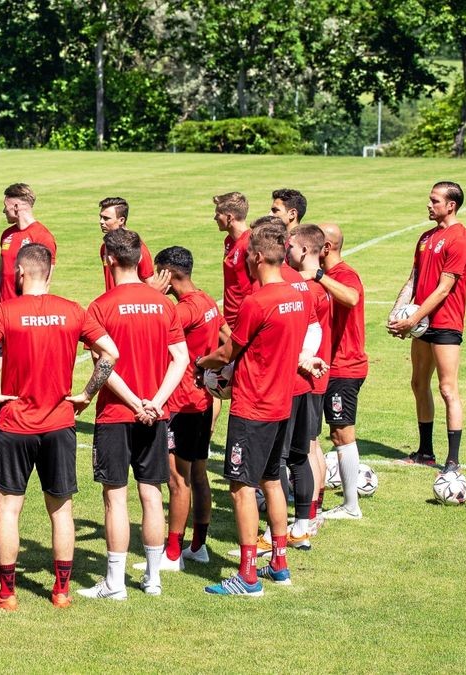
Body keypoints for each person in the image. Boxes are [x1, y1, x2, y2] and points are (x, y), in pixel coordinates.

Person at [0, 243, 119, 611]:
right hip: (59, 423)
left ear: (20, 274)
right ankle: (61, 591)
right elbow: (110, 353)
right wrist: (87, 393)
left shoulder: (6, 311)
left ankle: (7, 594)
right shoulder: (73, 311)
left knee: (9, 508)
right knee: (62, 510)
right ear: (50, 272)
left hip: (16, 423)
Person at [196, 222, 321, 596]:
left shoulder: (257, 301)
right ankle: (279, 564)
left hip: (253, 407)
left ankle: (248, 575)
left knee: (241, 488)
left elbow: (228, 352)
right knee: (271, 479)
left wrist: (201, 365)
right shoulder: (299, 296)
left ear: (256, 256)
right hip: (283, 402)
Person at [77, 230, 188, 600]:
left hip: (116, 414)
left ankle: (115, 582)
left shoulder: (101, 306)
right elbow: (181, 359)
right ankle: (153, 578)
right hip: (156, 414)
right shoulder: (163, 304)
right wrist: (154, 402)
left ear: (109, 259)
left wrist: (133, 401)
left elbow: (103, 365)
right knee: (152, 494)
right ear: (141, 258)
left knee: (116, 498)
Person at [390, 181, 466, 473]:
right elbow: (414, 278)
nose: (429, 204)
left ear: (450, 205)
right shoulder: (426, 237)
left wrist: (412, 319)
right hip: (422, 324)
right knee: (418, 383)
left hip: (445, 323)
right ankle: (425, 452)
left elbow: (443, 289)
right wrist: (397, 313)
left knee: (448, 388)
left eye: (434, 200)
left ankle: (452, 461)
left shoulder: (460, 238)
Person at [0, 183, 58, 445]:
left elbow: (47, 281)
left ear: (16, 205)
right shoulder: (6, 235)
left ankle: (28, 419)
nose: (3, 210)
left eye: (5, 204)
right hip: (2, 315)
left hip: (25, 317)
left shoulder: (43, 236)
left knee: (24, 371)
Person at [153, 245, 222, 566]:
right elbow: (227, 335)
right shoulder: (206, 301)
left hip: (181, 405)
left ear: (168, 275)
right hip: (202, 401)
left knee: (176, 481)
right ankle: (198, 546)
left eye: (157, 273)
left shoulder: (184, 311)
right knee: (198, 476)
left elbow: (152, 327)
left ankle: (172, 553)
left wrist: (152, 295)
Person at [317, 223, 369, 520]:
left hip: (344, 367)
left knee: (341, 432)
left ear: (326, 248)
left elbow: (351, 297)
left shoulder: (345, 275)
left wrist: (320, 276)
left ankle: (351, 505)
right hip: (331, 366)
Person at [284, 223, 333, 544]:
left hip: (307, 375)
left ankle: (310, 516)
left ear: (303, 250)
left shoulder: (310, 289)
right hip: (314, 371)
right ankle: (310, 514)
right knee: (310, 444)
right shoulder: (315, 285)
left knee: (309, 446)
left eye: (290, 247)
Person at [96, 197, 158, 289]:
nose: (101, 222)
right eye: (100, 217)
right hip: (113, 300)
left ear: (121, 220)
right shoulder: (105, 247)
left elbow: (150, 283)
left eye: (106, 218)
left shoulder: (137, 247)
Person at [213, 191, 252, 331]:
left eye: (218, 214)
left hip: (243, 320)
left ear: (229, 217)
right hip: (229, 319)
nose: (214, 218)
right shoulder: (229, 241)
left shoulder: (250, 244)